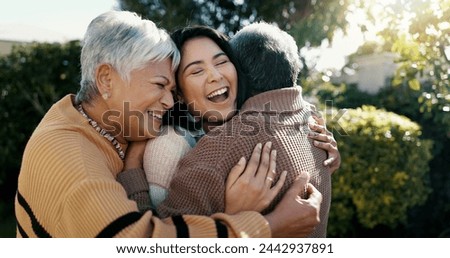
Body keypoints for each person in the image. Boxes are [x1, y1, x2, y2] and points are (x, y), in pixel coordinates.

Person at [15, 10, 323, 238]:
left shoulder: (111, 128)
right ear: (107, 79)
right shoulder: (71, 156)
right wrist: (266, 225)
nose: (168, 101)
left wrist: (311, 129)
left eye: (170, 89)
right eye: (160, 85)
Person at [124, 25, 339, 211]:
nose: (215, 76)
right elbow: (154, 238)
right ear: (178, 94)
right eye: (197, 71)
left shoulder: (244, 134)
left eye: (221, 62)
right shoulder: (170, 147)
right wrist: (132, 166)